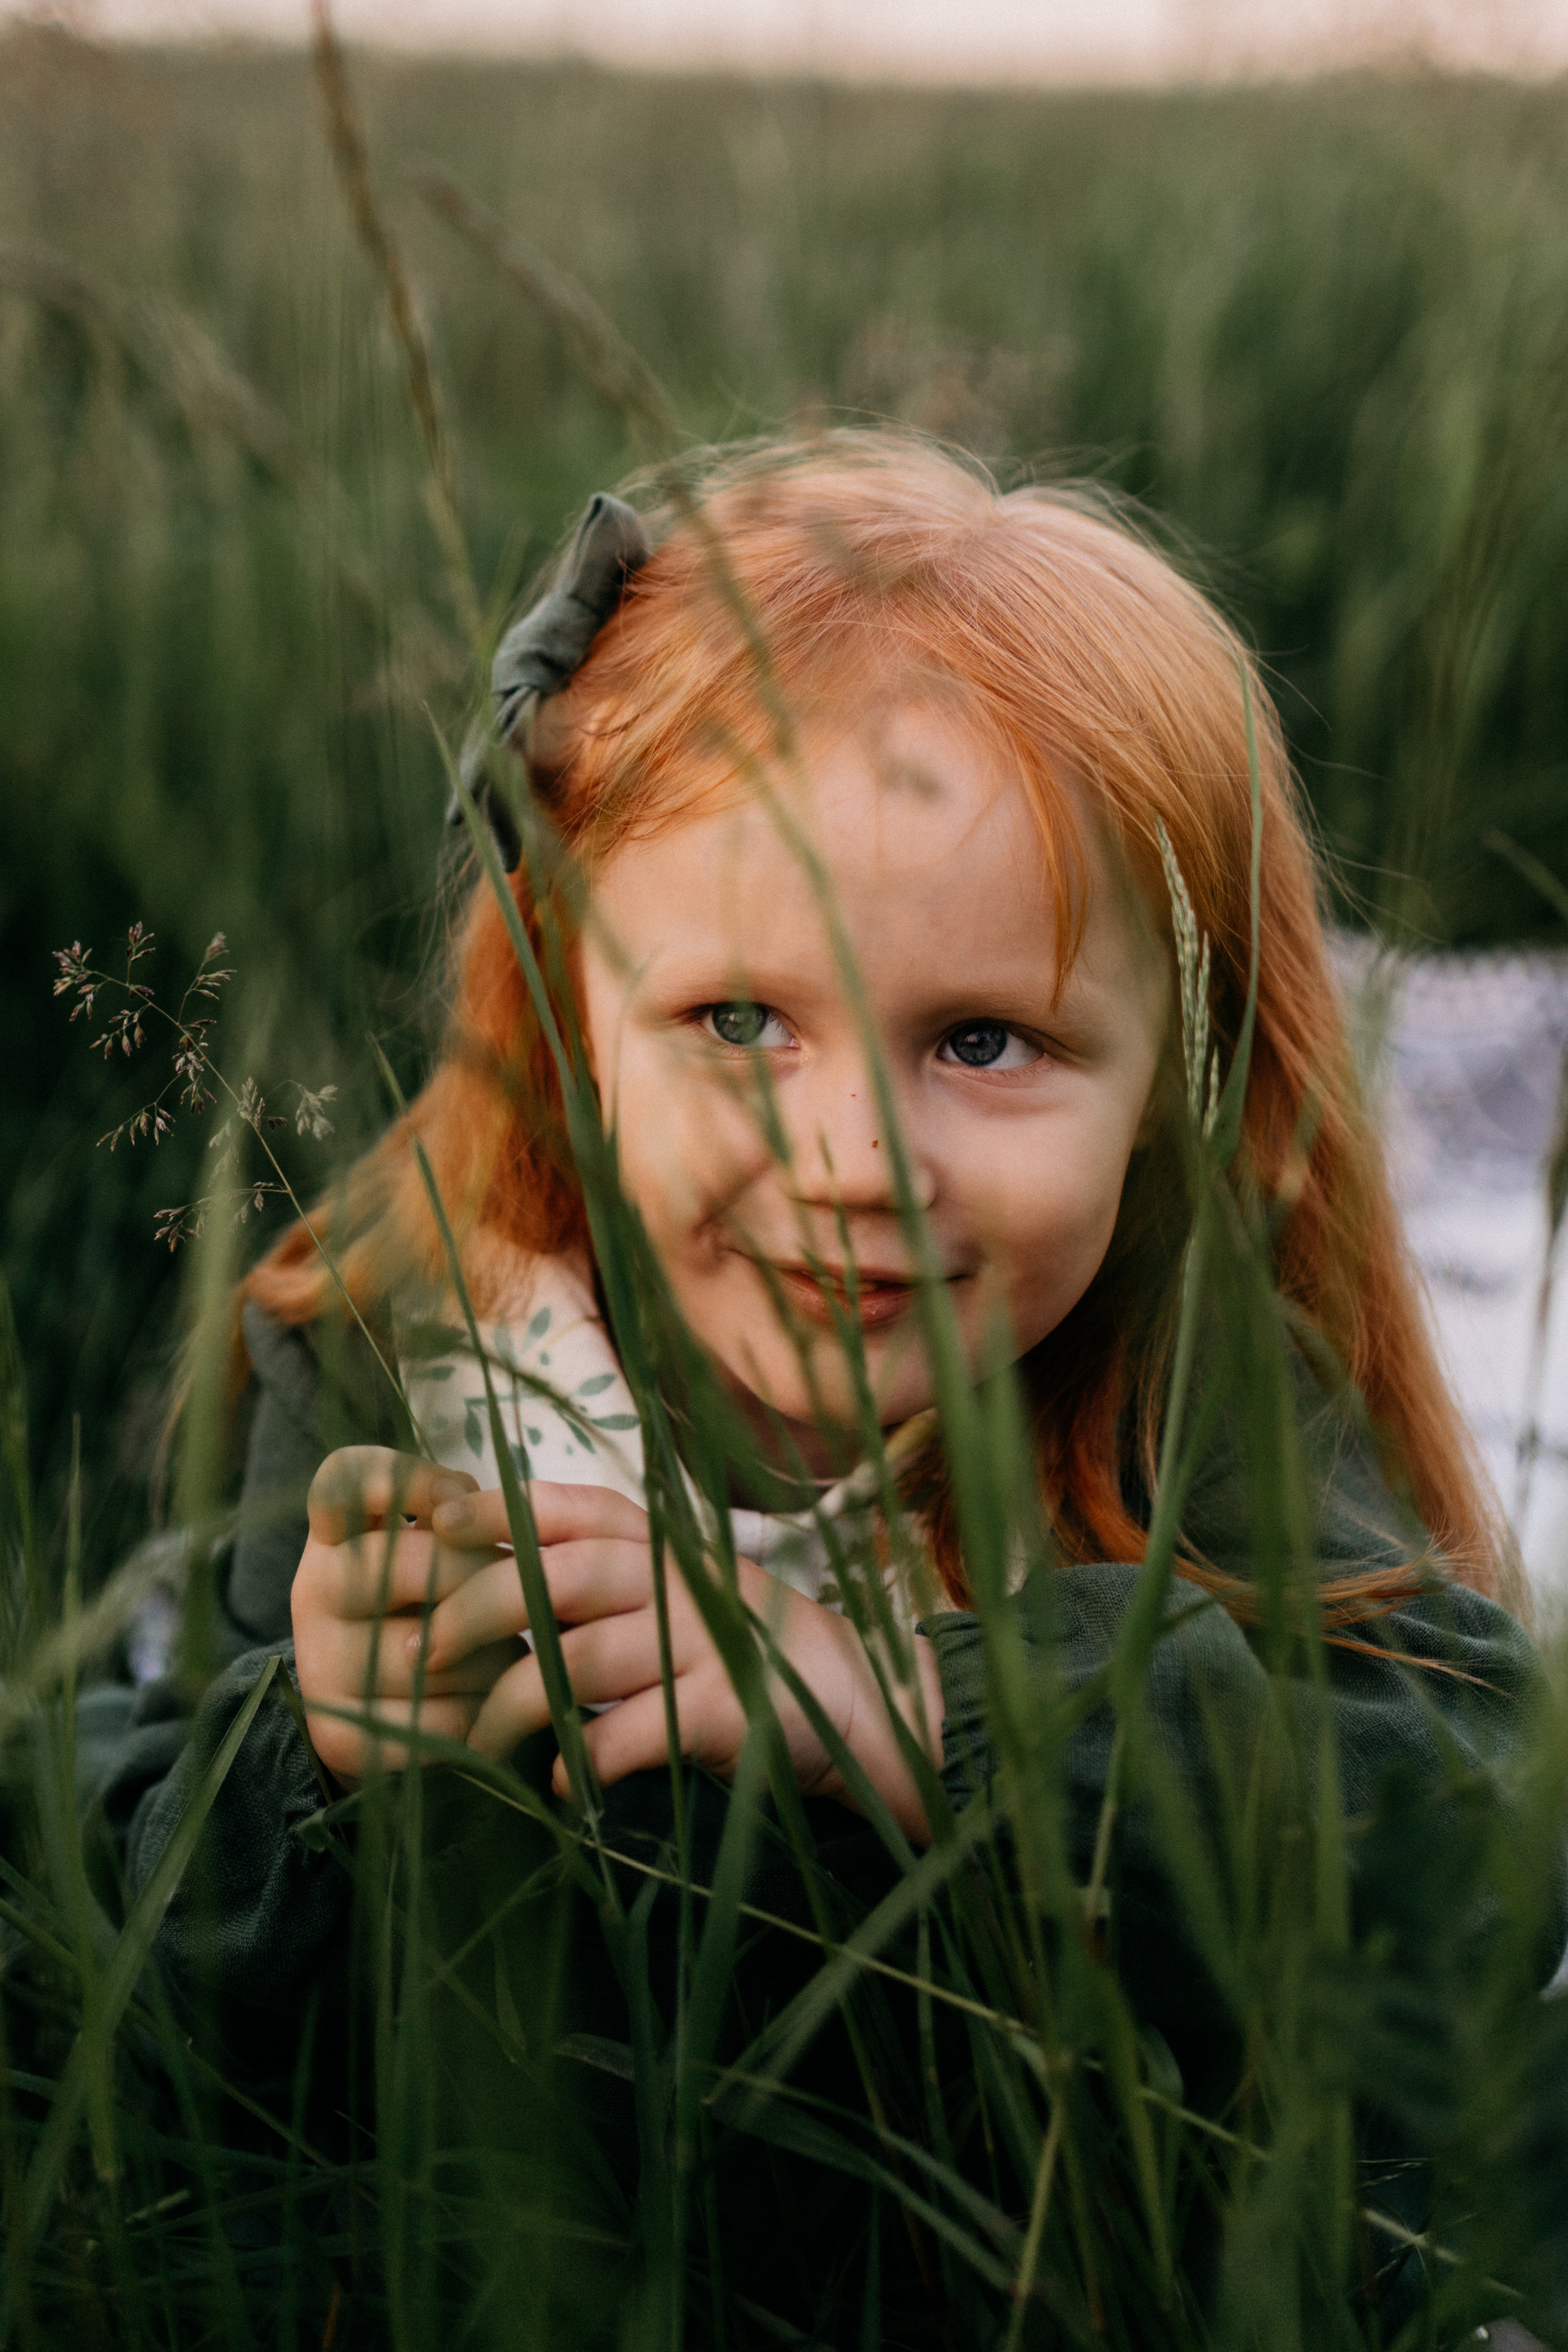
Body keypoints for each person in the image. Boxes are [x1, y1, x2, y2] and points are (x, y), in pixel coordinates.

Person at [102, 432, 1564, 2346]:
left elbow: (1478, 1822)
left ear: (1183, 1078)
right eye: (737, 1022)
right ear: (567, 1013)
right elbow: (123, 1897)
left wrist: (912, 1703)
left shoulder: (1163, 1351)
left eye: (985, 1038)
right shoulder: (422, 1347)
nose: (857, 1156)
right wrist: (323, 1752)